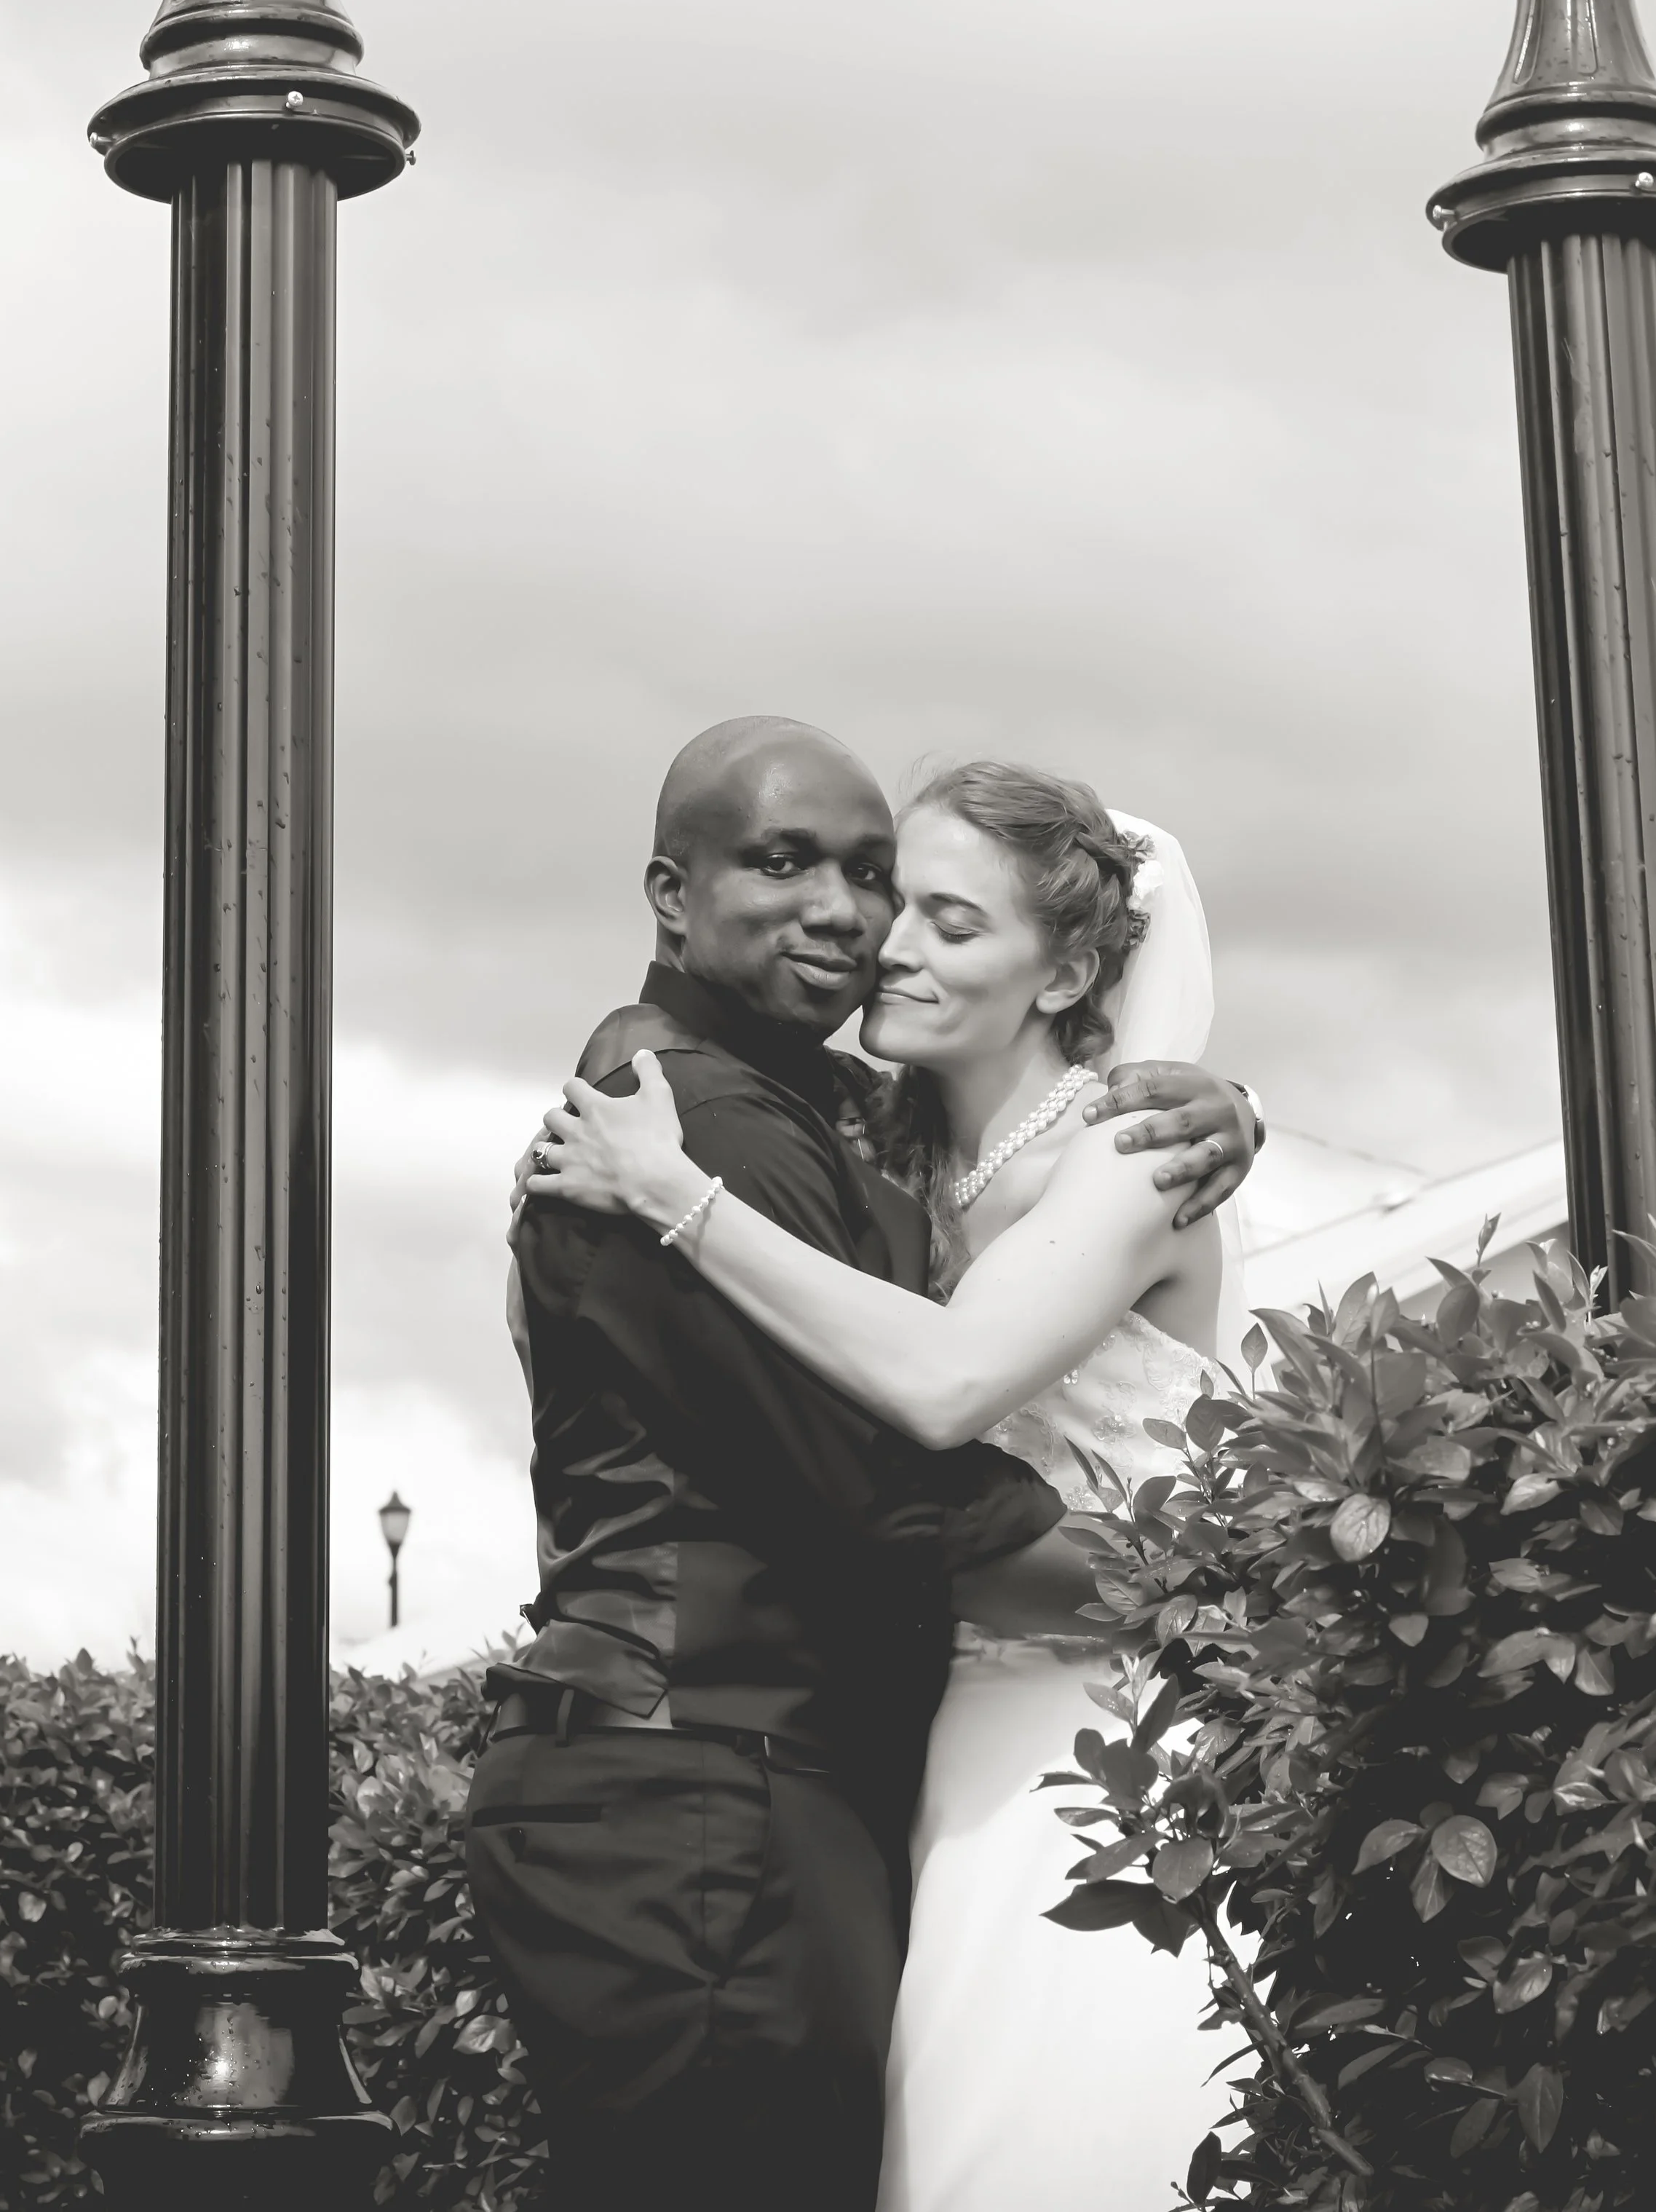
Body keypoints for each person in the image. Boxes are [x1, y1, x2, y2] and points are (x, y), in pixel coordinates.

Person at [479, 719, 1255, 2212]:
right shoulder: (821, 1134)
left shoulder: (1122, 1148)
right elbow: (868, 1463)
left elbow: (945, 1385)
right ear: (670, 890)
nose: (872, 935)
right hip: (861, 1750)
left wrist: (1201, 1085)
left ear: (1071, 967)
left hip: (1078, 1725)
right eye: (877, 892)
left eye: (926, 909)